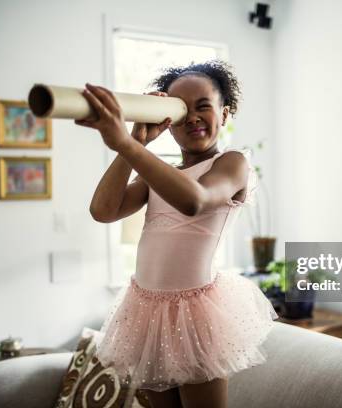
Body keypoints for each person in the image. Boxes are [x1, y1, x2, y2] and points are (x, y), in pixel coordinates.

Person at [77, 60, 278, 408]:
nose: (194, 117)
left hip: (197, 313)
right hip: (146, 310)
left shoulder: (232, 163)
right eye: (183, 110)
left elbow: (194, 200)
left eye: (204, 107)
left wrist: (126, 144)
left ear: (225, 114)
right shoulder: (160, 172)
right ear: (169, 122)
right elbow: (103, 211)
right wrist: (136, 141)